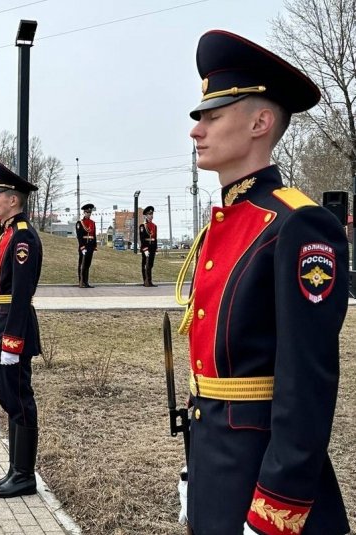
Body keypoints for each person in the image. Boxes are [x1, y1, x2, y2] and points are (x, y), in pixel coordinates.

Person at [176, 29, 350, 535]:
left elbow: (307, 382)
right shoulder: (226, 221)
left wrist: (277, 509)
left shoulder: (298, 223)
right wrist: (197, 471)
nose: (196, 130)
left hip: (264, 479)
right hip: (218, 466)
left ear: (260, 121)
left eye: (213, 116)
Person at [0, 161, 42, 499]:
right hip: (3, 323)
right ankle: (15, 470)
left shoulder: (22, 237)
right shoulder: (8, 234)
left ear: (14, 201)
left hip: (14, 327)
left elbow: (19, 294)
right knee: (9, 398)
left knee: (19, 400)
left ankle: (24, 475)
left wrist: (11, 341)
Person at [75, 203, 97, 287]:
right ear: (84, 212)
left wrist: (94, 246)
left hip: (90, 246)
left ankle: (86, 282)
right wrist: (82, 247)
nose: (88, 214)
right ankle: (81, 281)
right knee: (82, 264)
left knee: (87, 264)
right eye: (87, 212)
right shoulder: (80, 223)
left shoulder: (92, 223)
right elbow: (79, 236)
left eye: (90, 213)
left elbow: (94, 234)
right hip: (83, 246)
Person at [139, 205, 157, 287]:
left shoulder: (154, 226)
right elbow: (142, 239)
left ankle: (150, 281)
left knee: (150, 265)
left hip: (152, 247)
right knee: (145, 265)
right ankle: (146, 281)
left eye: (152, 214)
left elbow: (155, 238)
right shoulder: (143, 226)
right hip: (146, 248)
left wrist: (155, 249)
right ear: (146, 215)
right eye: (149, 214)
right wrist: (145, 249)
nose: (151, 216)